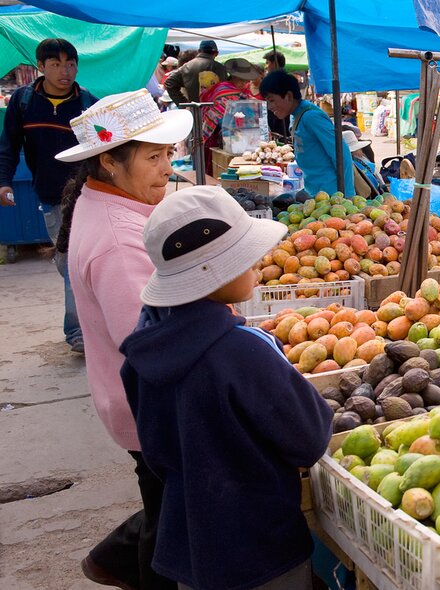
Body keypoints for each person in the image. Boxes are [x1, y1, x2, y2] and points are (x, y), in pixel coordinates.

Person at [120, 185, 332, 590]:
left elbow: (156, 450)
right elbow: (309, 438)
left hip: (191, 539)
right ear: (214, 273)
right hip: (262, 548)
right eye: (247, 257)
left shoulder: (142, 350)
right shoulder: (242, 351)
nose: (259, 263)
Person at [54, 88, 192, 588]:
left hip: (126, 396)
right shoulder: (117, 240)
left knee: (162, 496)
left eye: (168, 154)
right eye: (153, 156)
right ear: (110, 161)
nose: (166, 166)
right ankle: (135, 567)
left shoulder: (107, 202)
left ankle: (111, 558)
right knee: (170, 520)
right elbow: (149, 342)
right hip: (148, 403)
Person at [0, 38, 97, 353]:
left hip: (92, 195)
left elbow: (105, 149)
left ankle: (80, 331)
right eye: (55, 64)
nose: (64, 71)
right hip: (52, 196)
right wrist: (4, 182)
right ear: (40, 67)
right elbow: (8, 146)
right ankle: (82, 326)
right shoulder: (24, 102)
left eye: (70, 63)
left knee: (80, 264)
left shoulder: (88, 105)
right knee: (69, 264)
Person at [260, 70, 353, 196]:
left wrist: (347, 196)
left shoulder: (311, 117)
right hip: (314, 193)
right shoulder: (295, 117)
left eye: (272, 100)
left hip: (332, 195)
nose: (269, 107)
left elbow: (342, 154)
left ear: (288, 96)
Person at [199, 58, 259, 173]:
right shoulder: (222, 90)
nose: (244, 83)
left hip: (241, 138)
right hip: (217, 137)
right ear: (233, 77)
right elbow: (216, 115)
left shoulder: (244, 92)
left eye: (246, 81)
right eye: (241, 80)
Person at [164, 40, 227, 105]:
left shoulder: (188, 66)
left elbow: (169, 82)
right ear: (216, 53)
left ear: (199, 51)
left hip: (195, 110)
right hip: (217, 110)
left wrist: (184, 103)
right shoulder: (221, 69)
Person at [262, 51, 289, 138]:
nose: (266, 66)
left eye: (268, 63)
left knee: (280, 137)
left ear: (274, 63)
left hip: (280, 116)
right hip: (273, 114)